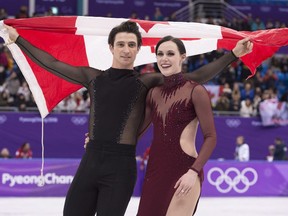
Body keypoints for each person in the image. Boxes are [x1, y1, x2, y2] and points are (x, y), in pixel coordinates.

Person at [5, 20, 252, 216]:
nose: (126, 50)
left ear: (138, 49)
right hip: (90, 162)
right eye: (121, 44)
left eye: (131, 45)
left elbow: (194, 78)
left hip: (121, 168)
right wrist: (18, 40)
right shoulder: (92, 78)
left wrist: (232, 55)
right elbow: (51, 63)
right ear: (111, 47)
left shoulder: (146, 82)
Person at [136, 35, 251, 215]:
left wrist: (193, 172)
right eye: (160, 54)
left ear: (182, 57)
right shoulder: (153, 94)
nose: (164, 58)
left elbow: (211, 137)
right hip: (154, 172)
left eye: (170, 53)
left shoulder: (195, 91)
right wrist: (100, 140)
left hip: (184, 170)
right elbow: (136, 132)